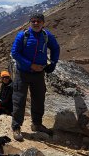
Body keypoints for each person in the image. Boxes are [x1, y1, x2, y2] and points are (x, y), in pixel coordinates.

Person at [10, 13, 60, 141]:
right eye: (33, 21)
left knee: (39, 99)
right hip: (23, 73)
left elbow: (55, 48)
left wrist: (53, 63)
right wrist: (31, 65)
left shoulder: (46, 35)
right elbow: (15, 53)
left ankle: (37, 124)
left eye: (38, 21)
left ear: (43, 23)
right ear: (29, 23)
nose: (36, 23)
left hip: (39, 74)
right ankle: (16, 127)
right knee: (19, 100)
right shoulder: (23, 35)